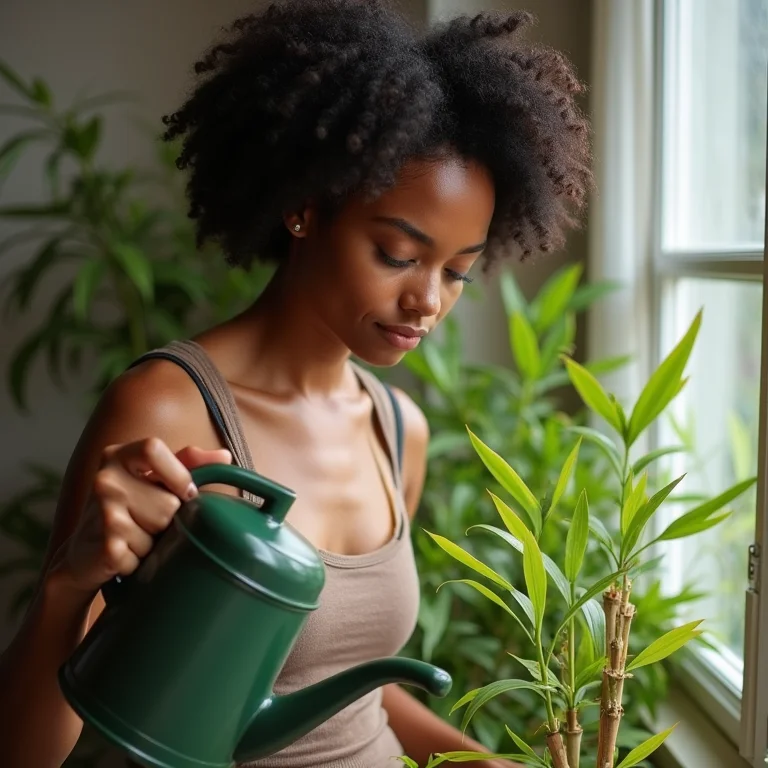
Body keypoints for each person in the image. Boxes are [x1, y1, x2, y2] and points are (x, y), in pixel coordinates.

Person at [0, 1, 591, 766]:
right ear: (304, 209)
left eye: (457, 272)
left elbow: (348, 692)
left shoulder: (397, 428)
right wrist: (66, 587)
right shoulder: (170, 409)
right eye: (398, 255)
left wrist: (483, 761)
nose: (428, 301)